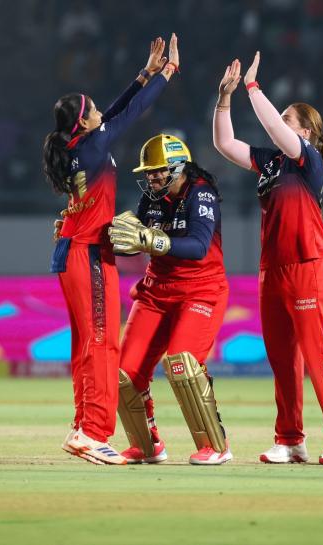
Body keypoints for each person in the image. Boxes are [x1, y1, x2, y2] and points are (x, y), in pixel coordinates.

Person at [212, 54, 323, 465]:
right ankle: (291, 439)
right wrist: (224, 99)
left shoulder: (307, 158)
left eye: (287, 119)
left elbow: (275, 129)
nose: (279, 123)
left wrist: (252, 88)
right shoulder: (272, 162)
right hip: (272, 269)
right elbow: (225, 144)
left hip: (308, 264)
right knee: (281, 358)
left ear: (305, 132)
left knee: (316, 353)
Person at [43, 35, 179, 465]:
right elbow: (131, 112)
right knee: (103, 344)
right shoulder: (94, 144)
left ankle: (82, 426)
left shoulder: (77, 144)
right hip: (89, 255)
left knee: (86, 343)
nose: (101, 111)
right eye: (93, 109)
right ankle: (95, 432)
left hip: (72, 251)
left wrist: (144, 73)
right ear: (83, 123)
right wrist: (167, 73)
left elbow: (114, 113)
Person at [110, 134, 232, 465]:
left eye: (158, 170)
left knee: (183, 365)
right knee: (124, 373)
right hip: (156, 291)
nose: (151, 177)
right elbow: (136, 242)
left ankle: (216, 445)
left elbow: (199, 246)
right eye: (148, 172)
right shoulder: (151, 199)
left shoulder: (201, 193)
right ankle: (146, 445)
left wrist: (154, 240)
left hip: (200, 289)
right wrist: (107, 239)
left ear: (179, 168)